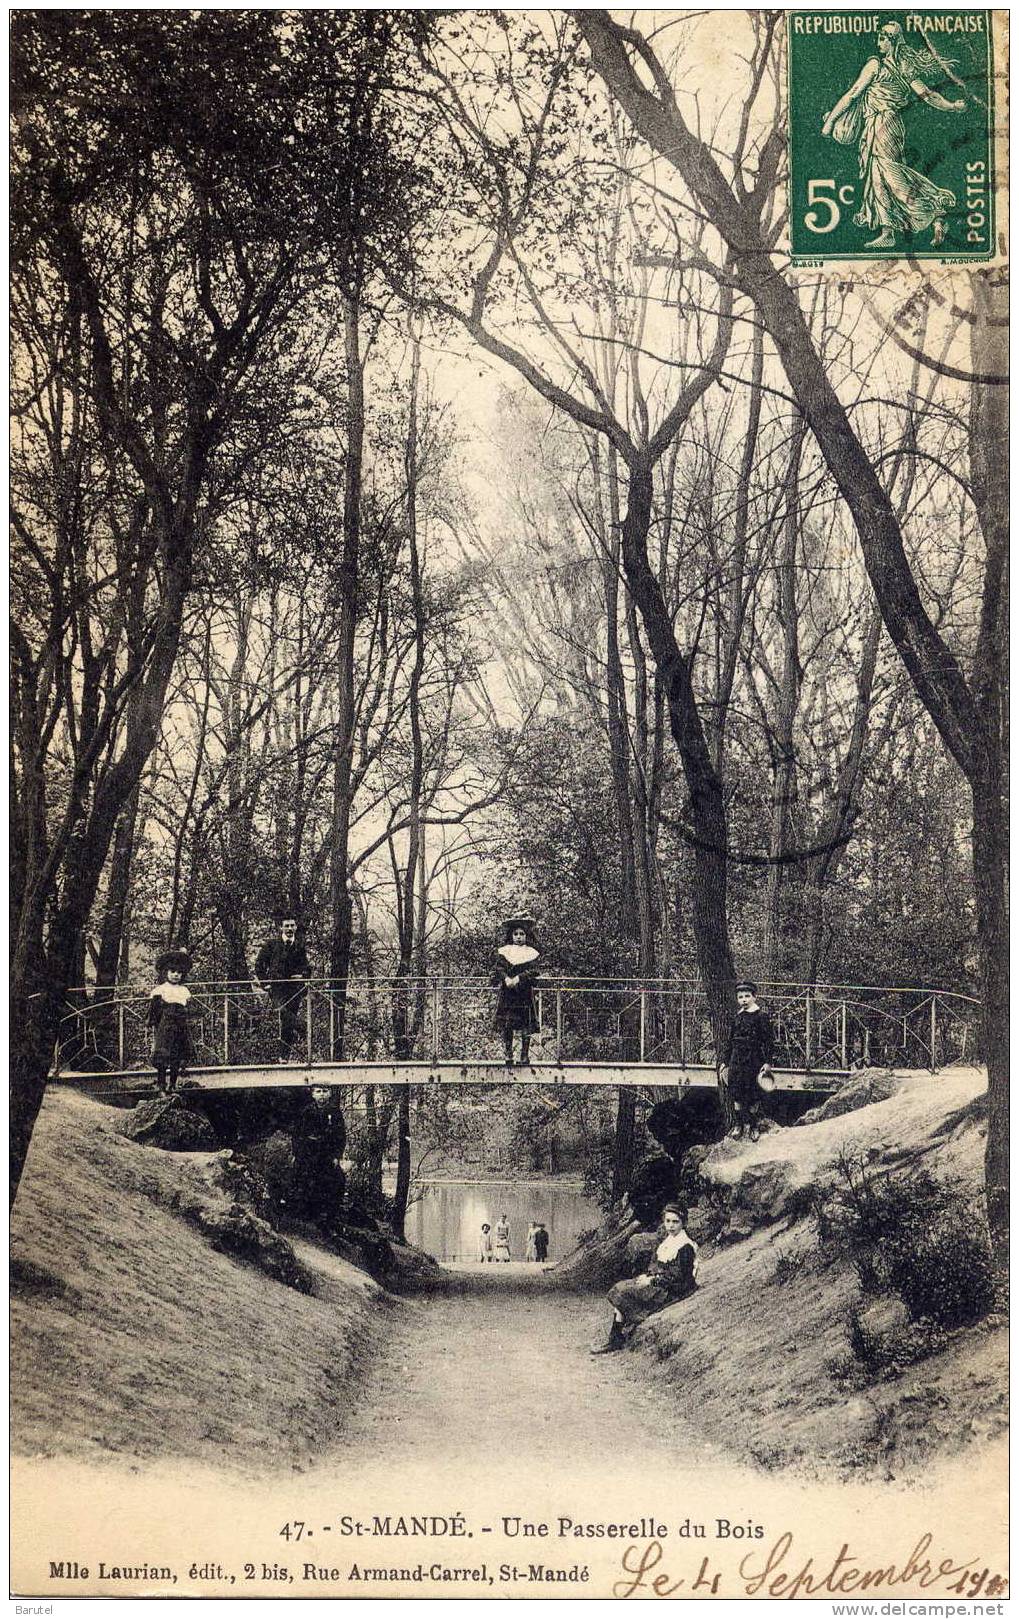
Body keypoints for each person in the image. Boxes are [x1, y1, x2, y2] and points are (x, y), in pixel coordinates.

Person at [821, 22, 965, 249]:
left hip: (880, 124)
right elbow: (928, 95)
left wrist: (829, 123)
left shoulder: (874, 65)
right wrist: (952, 106)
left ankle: (933, 211)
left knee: (887, 174)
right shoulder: (905, 67)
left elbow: (852, 94)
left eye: (882, 37)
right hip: (892, 125)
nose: (879, 42)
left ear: (892, 40)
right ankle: (892, 230)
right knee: (883, 175)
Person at [591, 1204, 698, 1354]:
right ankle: (616, 1337)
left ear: (683, 1223)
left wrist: (652, 1281)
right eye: (668, 1221)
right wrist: (648, 1276)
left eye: (675, 1222)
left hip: (673, 1291)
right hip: (662, 1283)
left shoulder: (684, 1246)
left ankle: (617, 1337)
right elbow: (659, 1266)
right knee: (622, 1286)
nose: (671, 1226)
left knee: (624, 1290)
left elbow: (679, 1279)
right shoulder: (668, 1242)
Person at [722, 980, 775, 1142]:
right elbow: (730, 1041)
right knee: (736, 1093)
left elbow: (768, 1042)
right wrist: (725, 1062)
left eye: (747, 996)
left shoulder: (761, 1017)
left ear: (754, 997)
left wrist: (767, 1062)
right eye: (740, 997)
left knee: (753, 1094)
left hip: (754, 1059)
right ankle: (738, 1125)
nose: (744, 999)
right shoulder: (737, 1018)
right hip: (737, 1059)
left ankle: (753, 1126)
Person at [253, 916, 311, 1064]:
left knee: (287, 1025)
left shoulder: (299, 946)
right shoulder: (272, 945)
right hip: (277, 988)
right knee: (281, 1011)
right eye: (287, 926)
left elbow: (306, 968)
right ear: (281, 928)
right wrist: (265, 983)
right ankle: (301, 1025)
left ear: (296, 927)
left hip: (294, 989)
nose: (290, 929)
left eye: (292, 925)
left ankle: (284, 1056)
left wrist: (302, 976)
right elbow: (259, 965)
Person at [291, 1084, 346, 1235]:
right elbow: (297, 1134)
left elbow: (340, 1136)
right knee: (306, 1181)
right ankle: (307, 1217)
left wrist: (336, 1155)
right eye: (318, 1091)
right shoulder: (306, 1111)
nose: (322, 1095)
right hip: (309, 1154)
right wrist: (297, 1153)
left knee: (334, 1182)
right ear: (313, 1094)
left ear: (329, 1094)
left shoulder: (335, 1112)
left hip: (326, 1154)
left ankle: (327, 1219)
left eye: (325, 1091)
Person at [492, 914, 541, 1067]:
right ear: (511, 936)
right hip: (509, 993)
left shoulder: (531, 952)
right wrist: (506, 978)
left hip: (524, 992)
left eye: (522, 934)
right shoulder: (504, 951)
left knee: (526, 1024)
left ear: (526, 936)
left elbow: (534, 971)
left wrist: (518, 978)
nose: (519, 937)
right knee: (508, 1024)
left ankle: (524, 1055)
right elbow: (498, 968)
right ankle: (508, 1054)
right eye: (516, 934)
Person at [147, 949, 197, 1094]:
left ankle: (173, 1085)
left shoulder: (184, 991)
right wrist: (155, 1027)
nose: (176, 975)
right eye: (172, 971)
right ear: (166, 972)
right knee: (163, 1056)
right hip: (165, 1027)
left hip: (180, 1027)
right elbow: (154, 1012)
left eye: (179, 972)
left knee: (176, 1056)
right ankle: (161, 1085)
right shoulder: (160, 990)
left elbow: (189, 1010)